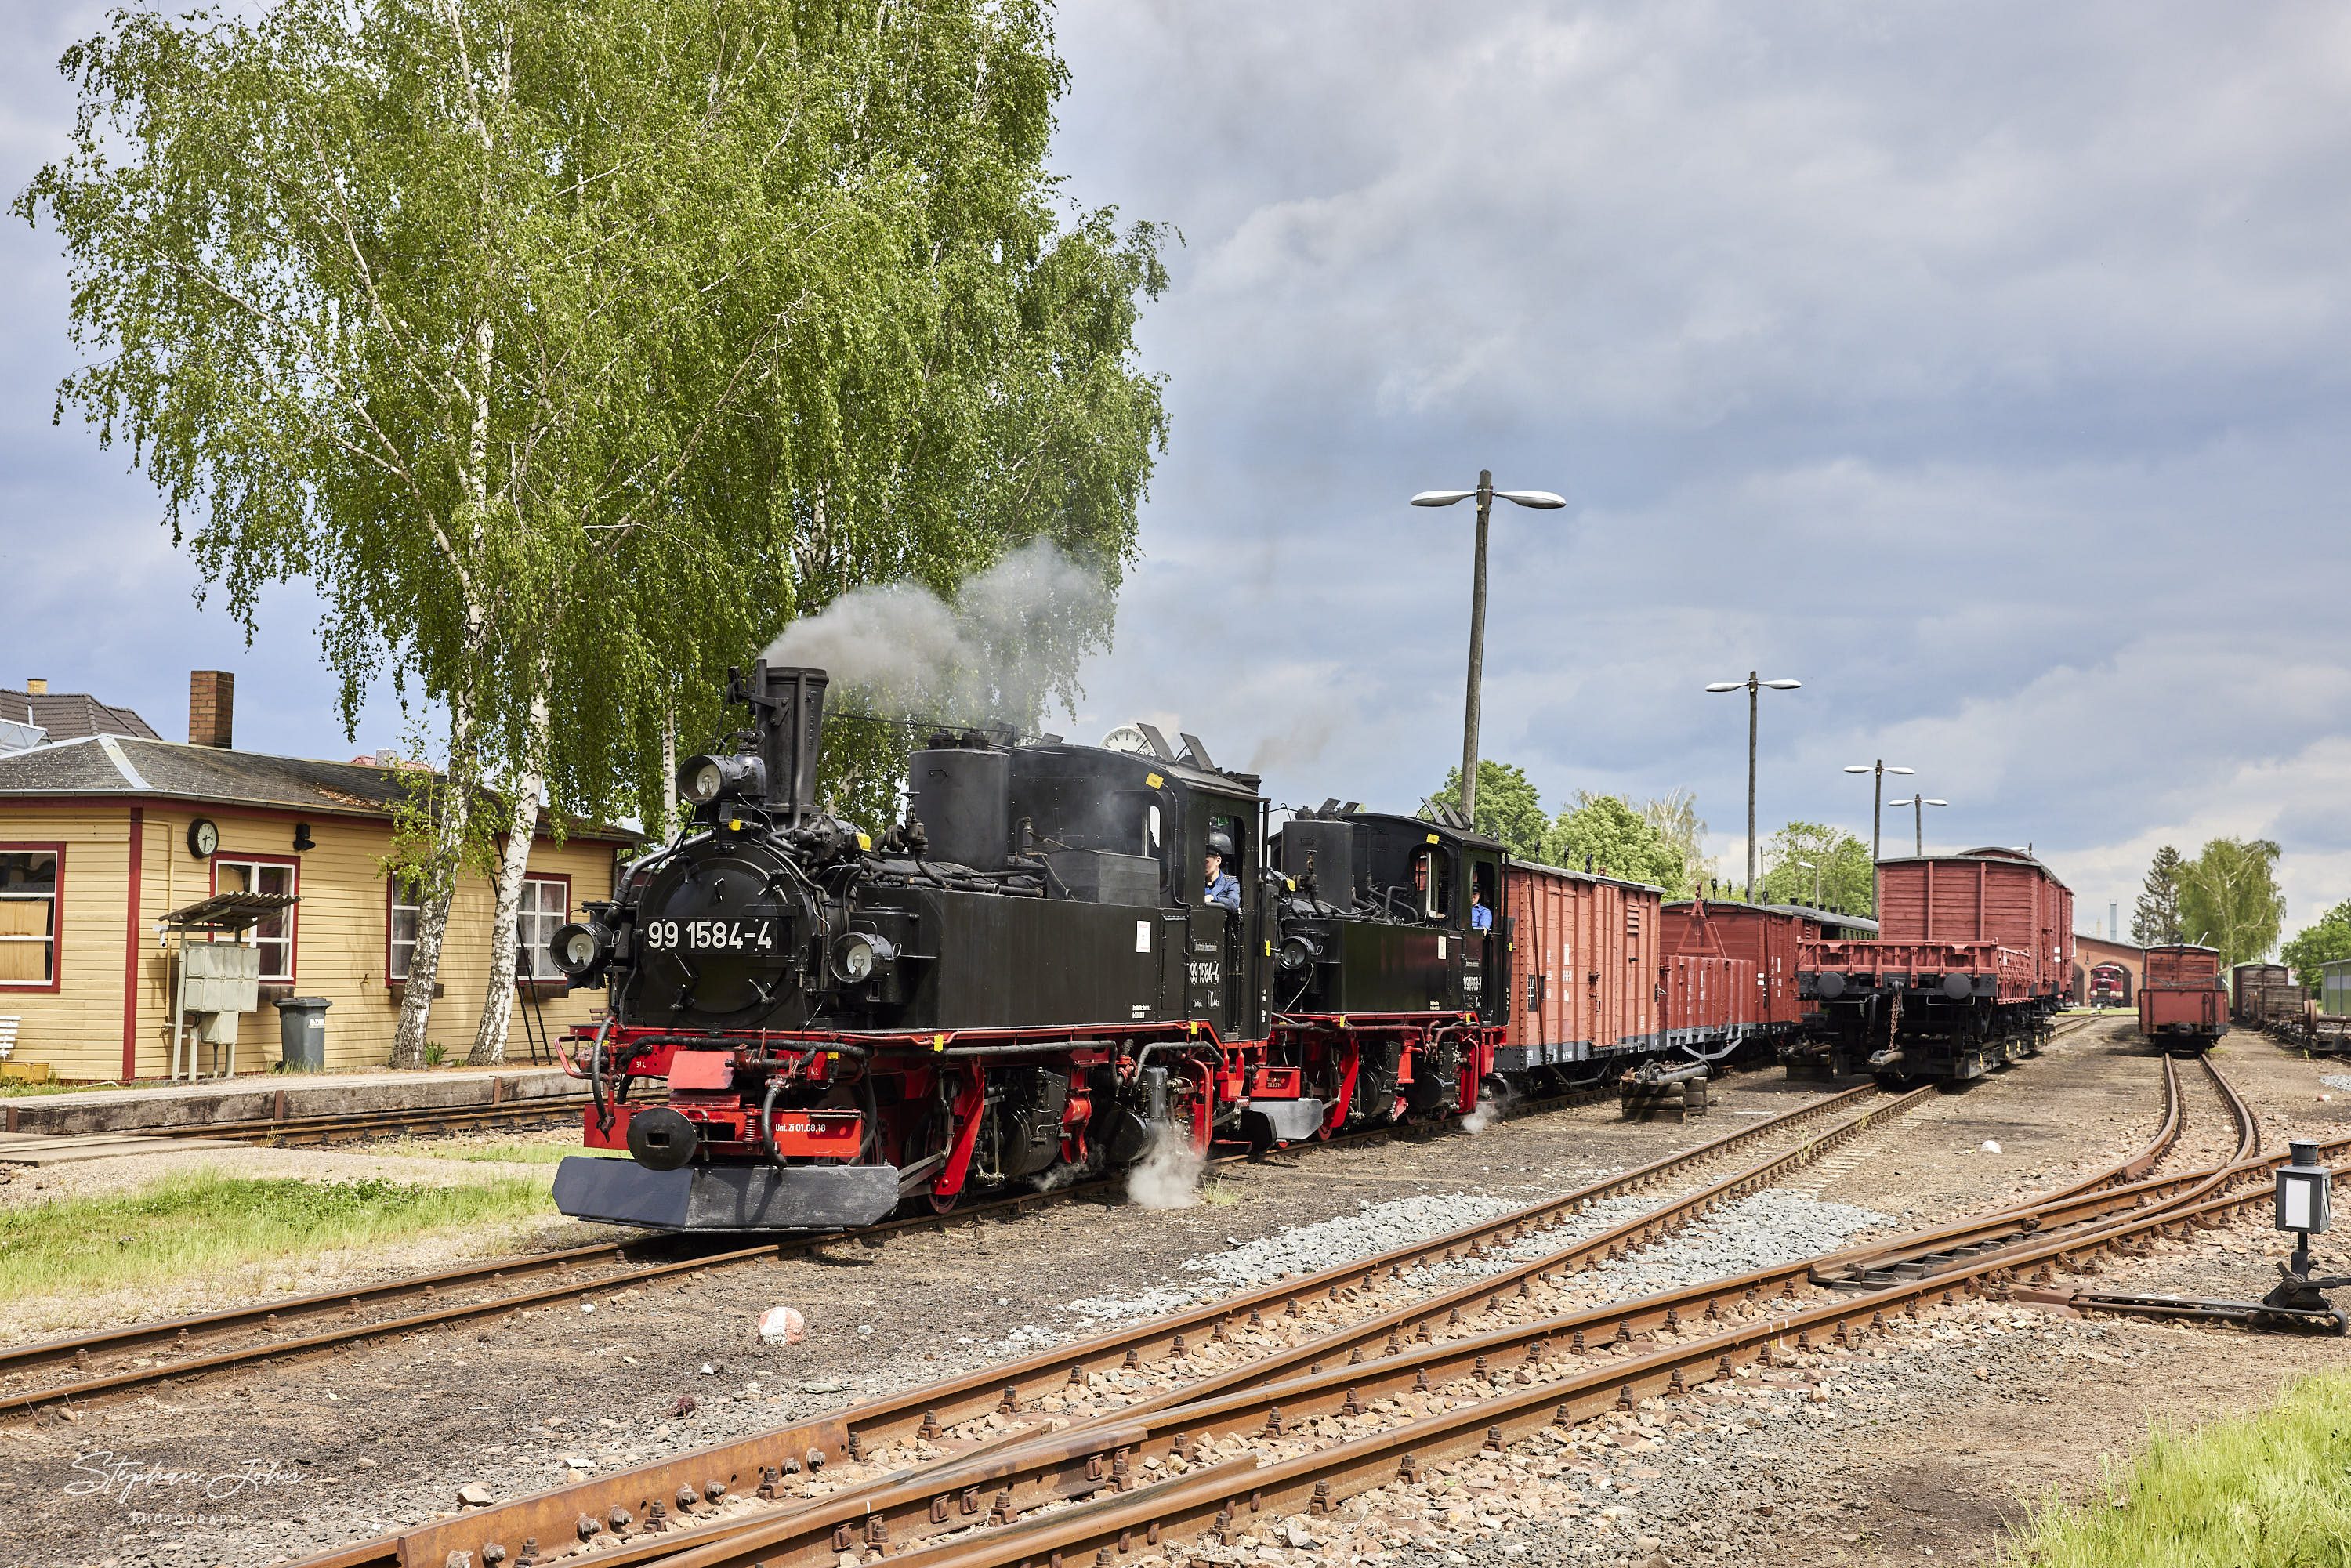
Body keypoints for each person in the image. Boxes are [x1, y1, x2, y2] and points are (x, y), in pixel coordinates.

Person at [1203, 831, 1241, 911]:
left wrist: (1213, 898)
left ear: (1218, 861)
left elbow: (1233, 904)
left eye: (1206, 862)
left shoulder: (1230, 882)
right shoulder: (1197, 882)